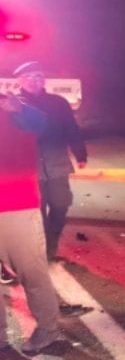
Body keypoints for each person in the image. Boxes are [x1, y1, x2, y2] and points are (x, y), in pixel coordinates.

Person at [1, 92, 66, 356]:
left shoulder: (12, 107)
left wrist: (20, 110)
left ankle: (48, 330)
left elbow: (45, 125)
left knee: (32, 272)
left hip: (18, 206)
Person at [11, 61, 88, 261]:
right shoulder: (13, 105)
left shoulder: (58, 103)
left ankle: (52, 240)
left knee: (61, 204)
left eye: (37, 76)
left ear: (43, 79)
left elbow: (72, 128)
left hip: (57, 162)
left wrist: (80, 154)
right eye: (28, 77)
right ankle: (44, 249)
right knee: (37, 210)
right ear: (19, 81)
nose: (33, 81)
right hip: (28, 166)